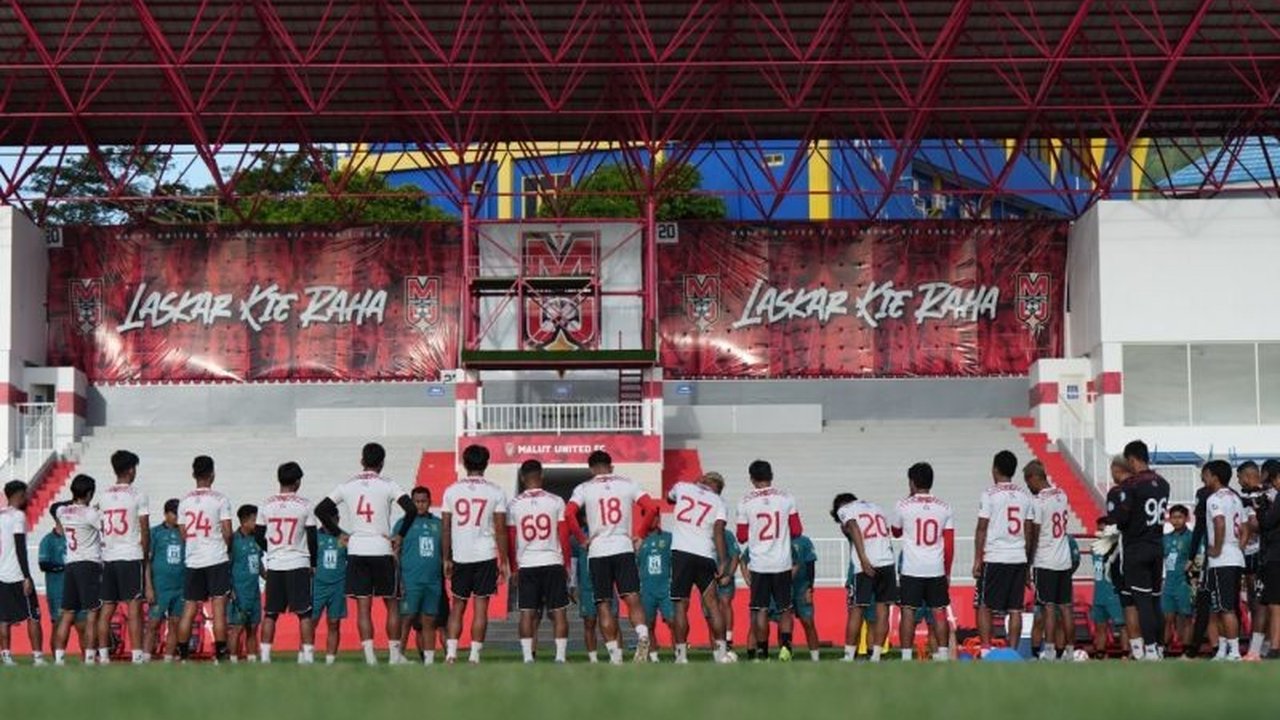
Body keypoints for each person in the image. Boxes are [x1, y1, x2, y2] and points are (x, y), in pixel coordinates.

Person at [314, 442, 415, 665]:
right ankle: (394, 656)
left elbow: (320, 509)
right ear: (382, 463)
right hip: (381, 547)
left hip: (357, 548)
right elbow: (412, 509)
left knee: (363, 606)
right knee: (392, 604)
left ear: (362, 461)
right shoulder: (388, 484)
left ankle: (370, 658)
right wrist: (401, 535)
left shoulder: (347, 485)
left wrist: (338, 534)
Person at [566, 449, 660, 664]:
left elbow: (569, 513)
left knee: (603, 603)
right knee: (632, 599)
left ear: (591, 469)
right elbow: (652, 507)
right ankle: (643, 635)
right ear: (611, 466)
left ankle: (615, 657)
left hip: (599, 550)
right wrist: (640, 534)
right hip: (623, 546)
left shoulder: (584, 488)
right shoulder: (628, 483)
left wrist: (581, 538)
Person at [441, 444, 509, 665]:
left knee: (457, 607)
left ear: (464, 462)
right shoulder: (496, 491)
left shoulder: (451, 491)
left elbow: (446, 528)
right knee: (481, 608)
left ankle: (451, 654)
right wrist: (504, 560)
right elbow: (500, 529)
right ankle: (474, 656)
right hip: (485, 554)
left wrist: (446, 558)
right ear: (486, 464)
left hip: (461, 555)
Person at [1108, 440, 1171, 660]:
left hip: (1136, 548)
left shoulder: (1130, 485)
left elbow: (1121, 519)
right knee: (1155, 602)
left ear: (1132, 459)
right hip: (1156, 546)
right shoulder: (1163, 483)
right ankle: (1160, 649)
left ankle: (1150, 651)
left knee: (1141, 602)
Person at [736, 459, 802, 662]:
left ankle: (762, 652)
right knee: (784, 609)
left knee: (760, 610)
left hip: (759, 564)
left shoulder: (745, 502)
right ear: (771, 475)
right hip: (782, 561)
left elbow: (741, 536)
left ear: (751, 479)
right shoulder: (787, 498)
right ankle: (785, 649)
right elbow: (797, 530)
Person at [506, 460, 571, 664]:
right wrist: (567, 564)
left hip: (527, 563)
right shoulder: (556, 501)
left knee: (527, 613)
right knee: (559, 612)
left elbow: (510, 538)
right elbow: (564, 535)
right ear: (541, 476)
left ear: (523, 478)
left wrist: (513, 567)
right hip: (552, 561)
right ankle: (560, 657)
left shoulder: (514, 504)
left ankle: (527, 658)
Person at [665, 471, 732, 664]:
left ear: (702, 480)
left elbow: (670, 499)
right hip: (705, 554)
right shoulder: (719, 502)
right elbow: (718, 532)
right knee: (713, 605)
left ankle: (681, 656)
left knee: (680, 606)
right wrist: (722, 561)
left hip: (681, 553)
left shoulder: (683, 487)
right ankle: (721, 655)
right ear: (718, 489)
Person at [891, 462, 954, 662]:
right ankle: (943, 656)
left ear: (912, 482)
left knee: (908, 611)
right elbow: (949, 544)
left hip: (912, 568)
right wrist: (947, 572)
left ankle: (906, 657)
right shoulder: (945, 507)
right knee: (939, 612)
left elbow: (896, 531)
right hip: (935, 567)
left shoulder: (902, 505)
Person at [175, 455, 234, 663]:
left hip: (194, 560)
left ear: (193, 474)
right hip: (216, 557)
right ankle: (219, 656)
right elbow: (227, 532)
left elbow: (182, 531)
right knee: (218, 610)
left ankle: (182, 656)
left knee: (189, 609)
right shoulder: (220, 499)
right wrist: (225, 549)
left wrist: (194, 546)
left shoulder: (184, 502)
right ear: (212, 474)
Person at [974, 450, 1032, 657]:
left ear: (995, 469)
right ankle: (1013, 652)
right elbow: (1028, 530)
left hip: (996, 556)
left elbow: (982, 527)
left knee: (984, 605)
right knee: (1015, 608)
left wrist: (977, 559)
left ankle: (986, 651)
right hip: (1018, 557)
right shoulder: (1025, 496)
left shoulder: (989, 494)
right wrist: (1027, 562)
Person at [259, 462, 317, 664]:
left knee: (270, 614)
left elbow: (259, 535)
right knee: (305, 614)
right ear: (298, 481)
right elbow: (312, 537)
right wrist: (314, 562)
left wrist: (272, 550)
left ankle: (265, 657)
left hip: (275, 563)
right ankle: (308, 657)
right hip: (298, 561)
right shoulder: (305, 505)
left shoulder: (266, 504)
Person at [96, 450, 149, 664]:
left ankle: (103, 656)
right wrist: (145, 560)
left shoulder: (104, 496)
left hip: (109, 556)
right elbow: (145, 531)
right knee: (134, 607)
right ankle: (137, 656)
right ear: (131, 469)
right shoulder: (137, 495)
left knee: (107, 609)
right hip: (130, 555)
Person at [834, 492, 897, 662]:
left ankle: (848, 655)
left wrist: (863, 558)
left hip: (866, 564)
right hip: (887, 561)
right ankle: (876, 655)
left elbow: (853, 527)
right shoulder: (877, 508)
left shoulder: (845, 509)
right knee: (882, 610)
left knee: (857, 609)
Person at [1023, 460, 1073, 661]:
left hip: (1046, 560)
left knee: (1048, 607)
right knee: (1066, 607)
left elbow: (1033, 537)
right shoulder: (1062, 495)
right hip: (1064, 559)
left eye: (1028, 482)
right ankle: (1069, 652)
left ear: (1034, 477)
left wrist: (1027, 564)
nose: (1028, 487)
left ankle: (1050, 651)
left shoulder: (1037, 502)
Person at [53, 474, 103, 665]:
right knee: (92, 614)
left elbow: (57, 507)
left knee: (67, 614)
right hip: (89, 564)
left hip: (71, 565)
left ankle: (59, 659)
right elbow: (104, 528)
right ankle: (90, 658)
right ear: (89, 493)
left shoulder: (62, 512)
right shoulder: (91, 514)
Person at [1202, 459, 1247, 661]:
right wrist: (1240, 548)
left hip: (1222, 560)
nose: (1203, 478)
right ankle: (1222, 649)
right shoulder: (1236, 498)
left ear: (1214, 476)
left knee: (1225, 607)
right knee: (1219, 606)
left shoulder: (1214, 499)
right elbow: (1246, 527)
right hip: (1234, 557)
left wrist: (1218, 548)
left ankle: (1235, 651)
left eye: (1205, 474)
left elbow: (1219, 523)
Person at [395, 486, 444, 665]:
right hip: (410, 580)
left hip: (433, 581)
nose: (420, 505)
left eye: (424, 501)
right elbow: (395, 553)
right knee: (406, 618)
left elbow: (445, 551)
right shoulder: (402, 524)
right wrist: (398, 579)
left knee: (429, 621)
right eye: (416, 502)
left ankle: (429, 660)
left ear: (429, 502)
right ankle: (398, 655)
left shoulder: (438, 524)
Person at [0, 481, 42, 665]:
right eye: (25, 495)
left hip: (0, 574)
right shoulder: (18, 516)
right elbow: (19, 547)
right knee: (33, 616)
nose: (27, 498)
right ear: (18, 495)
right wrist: (26, 576)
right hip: (16, 573)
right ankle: (38, 657)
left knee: (3, 618)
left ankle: (7, 656)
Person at [700, 473, 740, 655]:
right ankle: (716, 648)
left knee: (724, 603)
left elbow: (735, 556)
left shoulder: (726, 533)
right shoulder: (700, 530)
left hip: (723, 577)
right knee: (709, 611)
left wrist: (728, 575)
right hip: (706, 574)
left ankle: (728, 640)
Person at [40, 501, 87, 656]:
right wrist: (65, 567)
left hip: (79, 589)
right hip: (58, 590)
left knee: (83, 626)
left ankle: (88, 661)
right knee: (59, 624)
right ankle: (57, 660)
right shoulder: (48, 540)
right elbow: (44, 564)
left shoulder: (75, 536)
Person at [568, 515, 615, 663]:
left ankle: (616, 655)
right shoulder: (577, 537)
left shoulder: (608, 533)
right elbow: (574, 562)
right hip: (587, 587)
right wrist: (572, 585)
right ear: (585, 518)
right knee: (589, 622)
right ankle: (593, 658)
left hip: (605, 584)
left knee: (612, 620)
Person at [144, 499, 184, 661]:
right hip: (160, 587)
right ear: (166, 514)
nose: (177, 517)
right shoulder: (155, 533)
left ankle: (168, 659)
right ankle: (145, 658)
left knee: (175, 624)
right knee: (153, 624)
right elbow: (146, 560)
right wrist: (148, 587)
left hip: (180, 587)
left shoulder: (184, 532)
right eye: (175, 513)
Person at [1237, 461, 1267, 660]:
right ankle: (1252, 640)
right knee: (1249, 600)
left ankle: (1261, 643)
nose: (1238, 481)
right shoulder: (1243, 496)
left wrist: (1249, 518)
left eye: (1239, 477)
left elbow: (1258, 525)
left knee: (1259, 600)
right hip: (1245, 553)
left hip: (1258, 552)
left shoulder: (1263, 496)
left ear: (1247, 476)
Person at [226, 504, 264, 662]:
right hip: (239, 592)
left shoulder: (257, 539)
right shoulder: (233, 541)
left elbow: (259, 563)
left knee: (253, 628)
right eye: (255, 520)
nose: (258, 523)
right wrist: (230, 589)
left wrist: (269, 577)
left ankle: (252, 661)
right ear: (245, 521)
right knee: (237, 628)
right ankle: (233, 661)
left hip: (254, 591)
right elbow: (226, 566)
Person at [636, 518, 673, 662]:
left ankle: (679, 654)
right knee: (648, 624)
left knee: (673, 621)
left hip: (665, 586)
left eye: (654, 516)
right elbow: (636, 565)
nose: (651, 520)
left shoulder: (668, 537)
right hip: (647, 589)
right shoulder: (639, 540)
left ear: (658, 519)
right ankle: (654, 657)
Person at [312, 524, 348, 665]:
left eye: (335, 519)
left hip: (338, 587)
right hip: (318, 586)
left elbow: (352, 560)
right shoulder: (314, 536)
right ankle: (305, 656)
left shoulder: (344, 537)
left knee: (334, 623)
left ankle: (330, 661)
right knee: (311, 622)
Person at [1090, 516, 1126, 657]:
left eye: (1103, 530)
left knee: (1122, 625)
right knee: (1100, 626)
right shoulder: (1095, 547)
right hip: (1099, 593)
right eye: (1098, 529)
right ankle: (1100, 654)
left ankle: (1125, 654)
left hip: (1114, 593)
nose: (1099, 533)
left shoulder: (1117, 549)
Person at [1162, 505, 1194, 652]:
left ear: (1186, 518)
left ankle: (1186, 650)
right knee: (1167, 619)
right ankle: (1164, 650)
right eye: (1173, 517)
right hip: (1168, 583)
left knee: (1186, 618)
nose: (1176, 520)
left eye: (1179, 517)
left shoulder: (1191, 537)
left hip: (1184, 584)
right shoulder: (1165, 538)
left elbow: (1197, 558)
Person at [1257, 458, 1280, 659]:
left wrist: (1262, 507)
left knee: (1275, 604)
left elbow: (1267, 523)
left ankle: (1274, 647)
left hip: (1276, 556)